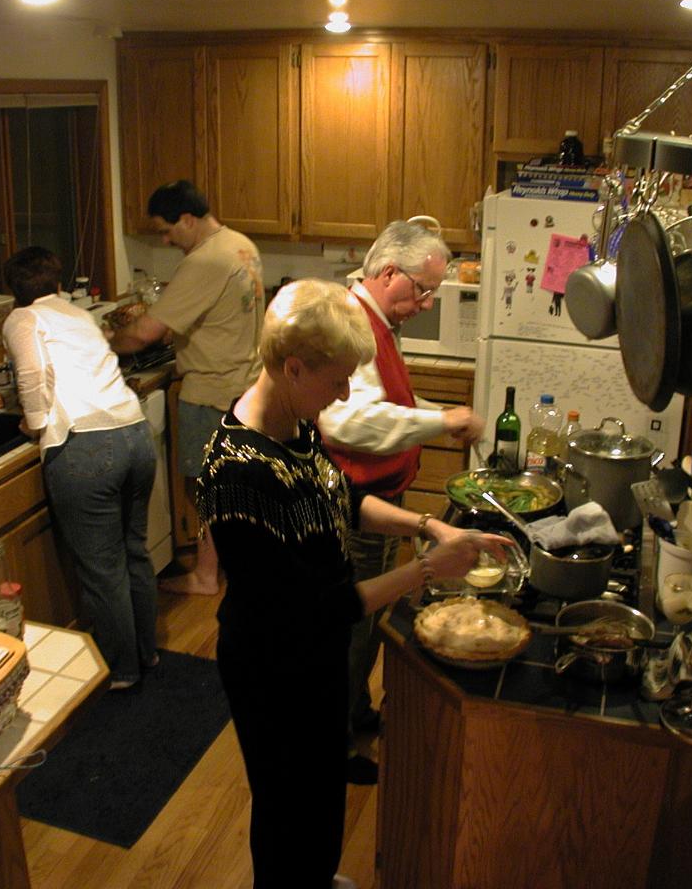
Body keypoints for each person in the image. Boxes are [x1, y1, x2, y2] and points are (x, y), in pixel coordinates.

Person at [198, 279, 512, 889]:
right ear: (292, 367)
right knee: (285, 804)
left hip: (315, 657)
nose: (344, 394)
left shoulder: (295, 423)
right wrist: (424, 570)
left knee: (319, 789)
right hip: (272, 667)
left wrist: (429, 529)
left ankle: (314, 877)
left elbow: (343, 498)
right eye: (337, 379)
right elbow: (320, 609)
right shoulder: (237, 472)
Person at [317, 220, 486, 782]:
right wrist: (440, 420)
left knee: (369, 623)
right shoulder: (350, 323)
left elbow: (392, 400)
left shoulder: (378, 319)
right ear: (388, 273)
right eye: (421, 289)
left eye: (433, 292)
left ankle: (354, 711)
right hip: (358, 501)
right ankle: (333, 745)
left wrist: (436, 411)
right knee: (352, 624)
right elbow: (349, 421)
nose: (426, 302)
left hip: (381, 497)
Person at [2, 247, 158, 690]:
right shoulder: (78, 314)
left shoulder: (22, 319)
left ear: (15, 293)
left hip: (86, 447)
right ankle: (146, 652)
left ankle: (121, 672)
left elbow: (32, 375)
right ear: (56, 283)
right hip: (134, 432)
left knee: (103, 569)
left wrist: (34, 425)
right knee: (134, 551)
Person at [110, 179, 264, 596]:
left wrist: (103, 347)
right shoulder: (240, 244)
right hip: (243, 384)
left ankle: (205, 575)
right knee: (231, 485)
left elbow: (144, 332)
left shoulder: (204, 261)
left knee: (207, 487)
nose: (165, 239)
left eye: (167, 229)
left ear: (188, 219)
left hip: (210, 390)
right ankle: (231, 564)